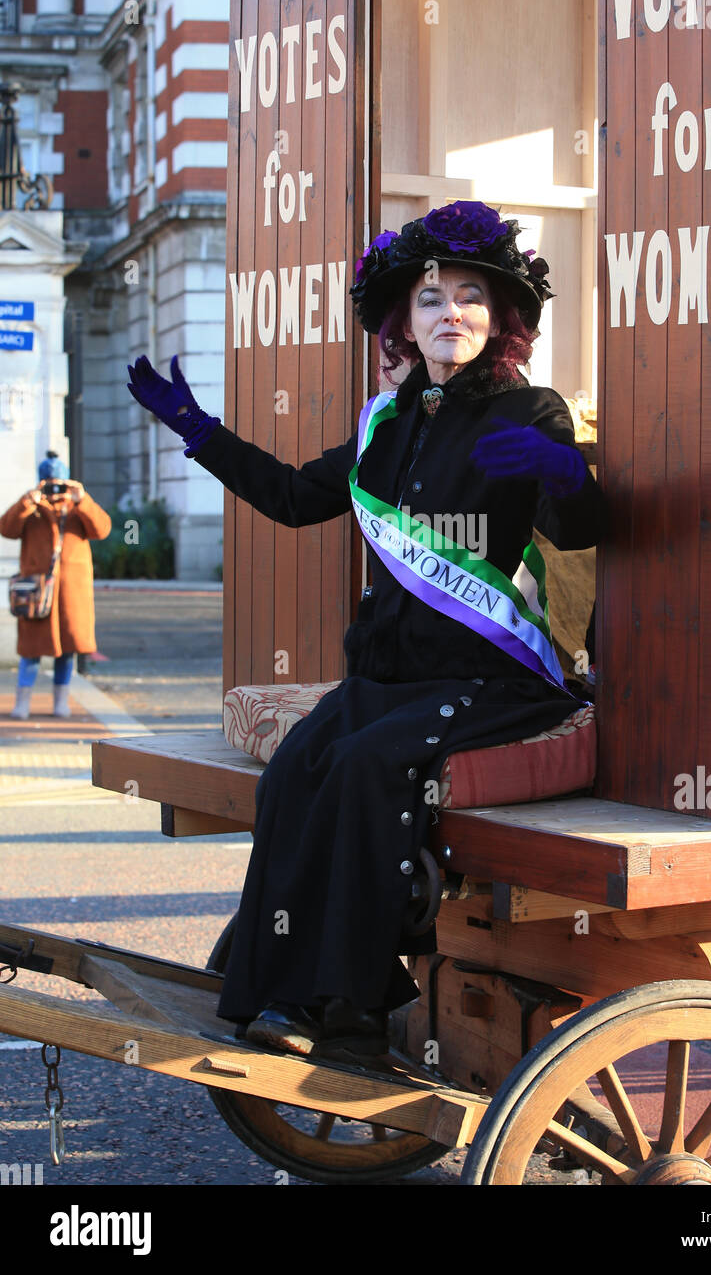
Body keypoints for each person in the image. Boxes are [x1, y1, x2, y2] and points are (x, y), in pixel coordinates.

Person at [126, 200, 607, 1065]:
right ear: (404, 322)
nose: (449, 311)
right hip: (386, 680)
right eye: (430, 300)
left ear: (498, 318)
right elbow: (295, 499)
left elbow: (578, 531)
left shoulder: (531, 413)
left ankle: (346, 1008)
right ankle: (278, 984)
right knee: (295, 772)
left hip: (491, 680)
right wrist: (199, 434)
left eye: (470, 296)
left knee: (358, 768)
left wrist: (564, 473)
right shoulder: (383, 423)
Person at [1, 451, 112, 720]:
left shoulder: (77, 507)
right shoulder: (33, 508)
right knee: (31, 651)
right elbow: (6, 528)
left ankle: (61, 701)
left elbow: (102, 529)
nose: (54, 490)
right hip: (37, 592)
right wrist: (27, 501)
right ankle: (23, 702)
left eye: (59, 483)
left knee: (67, 650)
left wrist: (82, 499)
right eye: (48, 483)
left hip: (71, 595)